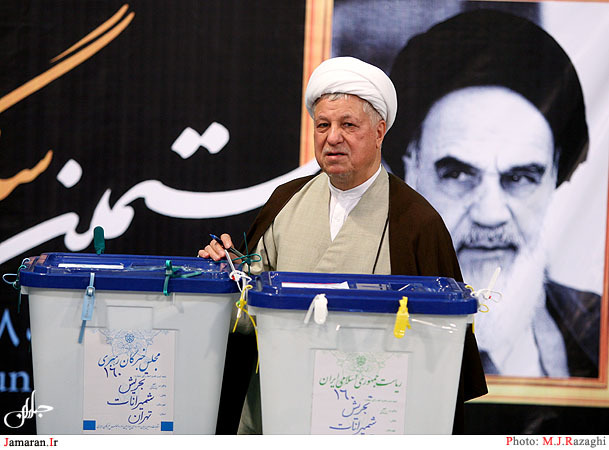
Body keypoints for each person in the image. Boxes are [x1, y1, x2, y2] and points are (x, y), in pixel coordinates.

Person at [200, 56, 487, 434]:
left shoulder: (417, 222)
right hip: (280, 407)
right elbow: (248, 312)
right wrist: (227, 276)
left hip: (368, 413)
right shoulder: (285, 201)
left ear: (380, 131)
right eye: (323, 125)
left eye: (348, 125)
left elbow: (440, 350)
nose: (332, 137)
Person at [382, 9, 601, 378]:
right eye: (458, 174)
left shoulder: (594, 331)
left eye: (520, 178)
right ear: (410, 172)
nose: (490, 214)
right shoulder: (347, 319)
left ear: (553, 177)